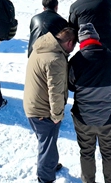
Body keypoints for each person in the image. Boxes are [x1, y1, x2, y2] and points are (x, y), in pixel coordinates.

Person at [68, 23, 111, 183]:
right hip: (107, 117)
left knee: (86, 152)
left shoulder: (76, 60)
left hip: (83, 117)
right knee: (109, 153)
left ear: (81, 41)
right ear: (97, 38)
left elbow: (71, 85)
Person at [25, 27, 78, 183]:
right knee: (47, 147)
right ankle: (45, 178)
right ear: (70, 42)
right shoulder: (56, 59)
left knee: (48, 143)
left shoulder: (41, 47)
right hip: (43, 111)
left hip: (32, 104)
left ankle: (51, 165)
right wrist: (56, 115)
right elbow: (56, 92)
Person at [68, 0, 111, 69]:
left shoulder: (75, 6)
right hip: (108, 40)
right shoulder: (106, 0)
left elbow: (73, 27)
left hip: (87, 43)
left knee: (90, 69)